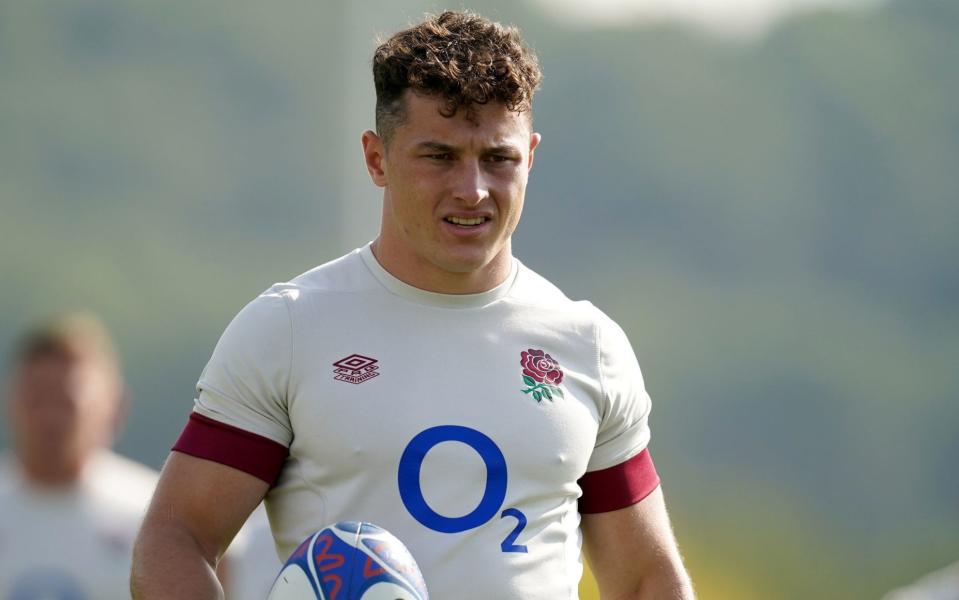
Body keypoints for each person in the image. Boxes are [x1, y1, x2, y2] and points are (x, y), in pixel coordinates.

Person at [131, 10, 694, 599]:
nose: (472, 189)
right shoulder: (290, 328)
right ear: (377, 158)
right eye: (439, 156)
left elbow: (645, 580)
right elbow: (176, 537)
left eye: (497, 158)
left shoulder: (588, 345)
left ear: (530, 156)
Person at [0, 312, 158, 599]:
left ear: (114, 406)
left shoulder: (156, 516)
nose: (49, 418)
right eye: (36, 400)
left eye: (65, 403)